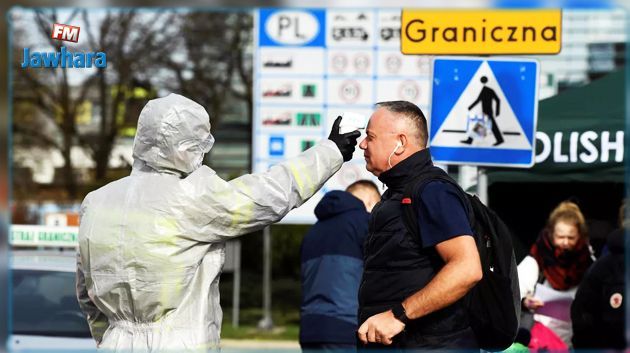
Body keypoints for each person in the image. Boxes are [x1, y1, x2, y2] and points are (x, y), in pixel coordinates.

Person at [75, 93, 361, 352]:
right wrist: (331, 152)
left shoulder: (96, 202)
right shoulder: (189, 196)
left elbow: (86, 292)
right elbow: (267, 195)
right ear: (184, 146)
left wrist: (112, 338)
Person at [356, 100, 482, 349]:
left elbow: (467, 268)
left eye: (370, 137)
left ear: (400, 143)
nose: (362, 144)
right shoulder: (396, 193)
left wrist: (398, 316)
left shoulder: (432, 191)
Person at [300, 180, 381, 352]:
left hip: (310, 329)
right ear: (369, 201)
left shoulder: (312, 232)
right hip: (348, 329)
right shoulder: (365, 223)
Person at [517, 201, 594, 347]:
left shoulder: (589, 264)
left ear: (580, 236)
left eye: (571, 238)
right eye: (560, 237)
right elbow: (512, 293)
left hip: (576, 341)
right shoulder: (536, 259)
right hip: (540, 342)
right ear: (551, 235)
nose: (565, 243)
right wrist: (525, 302)